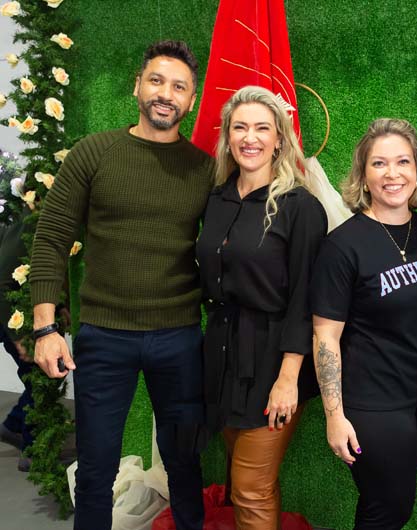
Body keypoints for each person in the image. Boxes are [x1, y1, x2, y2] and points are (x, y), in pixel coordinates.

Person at [29, 40, 215, 530]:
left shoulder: (203, 169)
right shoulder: (94, 152)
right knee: (95, 470)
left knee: (184, 464)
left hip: (178, 336)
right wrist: (45, 328)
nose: (166, 94)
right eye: (156, 80)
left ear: (191, 100)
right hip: (104, 336)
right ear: (137, 86)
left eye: (179, 87)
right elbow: (51, 238)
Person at [196, 85, 327, 529]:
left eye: (261, 128)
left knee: (251, 486)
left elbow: (307, 298)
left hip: (274, 359)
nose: (250, 138)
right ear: (227, 137)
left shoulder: (300, 207)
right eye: (240, 128)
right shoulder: (216, 199)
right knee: (245, 483)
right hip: (221, 356)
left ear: (279, 139)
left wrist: (288, 378)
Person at [310, 118, 417, 529]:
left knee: (385, 504)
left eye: (403, 161)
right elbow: (325, 336)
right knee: (389, 509)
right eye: (379, 163)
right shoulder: (342, 246)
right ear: (363, 175)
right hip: (372, 405)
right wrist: (334, 416)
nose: (393, 174)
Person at [0, 210, 34, 472]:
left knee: (38, 376)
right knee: (40, 376)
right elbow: (3, 285)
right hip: (11, 317)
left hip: (21, 312)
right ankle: (33, 451)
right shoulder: (25, 224)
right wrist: (19, 337)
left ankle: (13, 426)